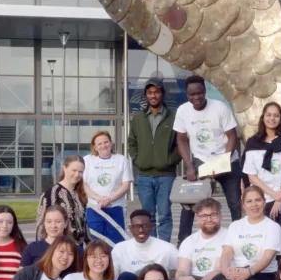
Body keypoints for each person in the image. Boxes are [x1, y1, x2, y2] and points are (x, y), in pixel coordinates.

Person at [173, 75, 242, 243]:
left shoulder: (220, 108)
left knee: (235, 204)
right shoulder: (183, 111)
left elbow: (232, 136)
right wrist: (189, 166)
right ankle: (183, 242)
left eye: (199, 93)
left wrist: (224, 160)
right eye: (192, 94)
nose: (196, 97)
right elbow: (181, 139)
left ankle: (238, 239)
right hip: (201, 161)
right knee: (189, 204)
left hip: (226, 159)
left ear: (205, 91)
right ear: (187, 94)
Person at [242, 101, 281, 250]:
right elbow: (252, 177)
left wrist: (280, 197)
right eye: (268, 115)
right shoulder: (252, 143)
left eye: (276, 115)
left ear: (280, 119)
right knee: (263, 235)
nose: (272, 118)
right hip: (263, 196)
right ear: (263, 117)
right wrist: (273, 195)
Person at [128, 76, 181, 242]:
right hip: (144, 176)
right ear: (146, 95)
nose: (153, 95)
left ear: (162, 94)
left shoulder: (174, 117)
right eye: (150, 92)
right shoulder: (138, 118)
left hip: (166, 175)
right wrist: (138, 160)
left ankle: (164, 247)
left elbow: (182, 143)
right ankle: (151, 248)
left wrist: (170, 160)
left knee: (165, 214)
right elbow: (132, 142)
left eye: (156, 92)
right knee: (147, 215)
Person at [215, 185, 281, 280]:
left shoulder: (273, 227)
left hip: (262, 274)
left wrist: (249, 272)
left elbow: (267, 257)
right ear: (243, 205)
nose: (254, 205)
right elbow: (227, 253)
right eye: (249, 201)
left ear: (264, 202)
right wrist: (226, 271)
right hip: (236, 272)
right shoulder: (235, 225)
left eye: (258, 200)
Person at [175, 197, 228, 280]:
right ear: (197, 218)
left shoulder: (228, 236)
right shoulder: (190, 241)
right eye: (204, 216)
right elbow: (181, 270)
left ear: (220, 216)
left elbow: (219, 269)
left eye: (213, 215)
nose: (209, 219)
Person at [111, 209, 179, 280]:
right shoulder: (120, 248)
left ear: (151, 227)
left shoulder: (166, 248)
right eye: (136, 226)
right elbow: (112, 279)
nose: (141, 230)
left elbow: (182, 268)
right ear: (130, 228)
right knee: (126, 278)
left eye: (145, 226)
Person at [83, 130, 133, 245]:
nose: (103, 145)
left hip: (116, 207)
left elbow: (126, 185)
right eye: (99, 144)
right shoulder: (87, 160)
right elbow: (82, 184)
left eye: (106, 142)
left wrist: (109, 199)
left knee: (116, 242)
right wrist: (98, 198)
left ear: (111, 143)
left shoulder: (121, 160)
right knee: (94, 242)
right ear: (94, 147)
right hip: (94, 208)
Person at [36, 155, 89, 246]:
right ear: (64, 168)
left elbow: (83, 224)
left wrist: (89, 243)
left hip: (77, 249)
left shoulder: (80, 193)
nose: (77, 174)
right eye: (74, 170)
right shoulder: (52, 194)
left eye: (80, 172)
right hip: (57, 248)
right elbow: (42, 226)